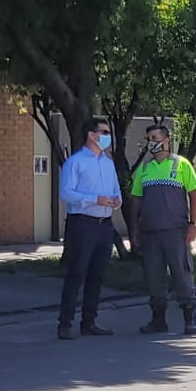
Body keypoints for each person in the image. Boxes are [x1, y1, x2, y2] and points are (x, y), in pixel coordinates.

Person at [129, 123, 196, 335]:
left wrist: (193, 224)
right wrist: (134, 230)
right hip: (150, 233)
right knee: (154, 277)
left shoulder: (181, 165)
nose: (150, 142)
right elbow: (135, 199)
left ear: (166, 140)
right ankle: (158, 320)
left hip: (176, 231)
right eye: (148, 139)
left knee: (181, 273)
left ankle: (190, 317)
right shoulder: (145, 168)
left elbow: (194, 194)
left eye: (154, 138)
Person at [57, 117, 121, 340]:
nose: (107, 137)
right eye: (103, 132)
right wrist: (95, 199)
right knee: (76, 273)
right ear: (91, 135)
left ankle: (89, 322)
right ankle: (65, 323)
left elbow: (115, 189)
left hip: (105, 225)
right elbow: (66, 193)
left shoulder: (108, 163)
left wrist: (116, 200)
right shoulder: (75, 162)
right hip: (83, 224)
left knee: (97, 275)